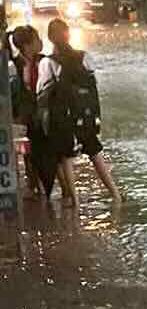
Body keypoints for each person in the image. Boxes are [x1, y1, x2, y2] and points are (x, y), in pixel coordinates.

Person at [37, 18, 122, 202]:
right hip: (86, 115)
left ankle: (74, 202)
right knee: (95, 152)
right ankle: (116, 195)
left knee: (66, 156)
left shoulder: (48, 63)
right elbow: (93, 84)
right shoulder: (84, 57)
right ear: (68, 34)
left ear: (50, 38)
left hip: (63, 118)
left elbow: (42, 91)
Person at [8, 25, 50, 199]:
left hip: (42, 114)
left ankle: (43, 185)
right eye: (36, 40)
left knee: (44, 151)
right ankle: (34, 185)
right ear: (26, 45)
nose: (40, 42)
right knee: (28, 152)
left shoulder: (44, 61)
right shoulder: (14, 66)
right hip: (25, 116)